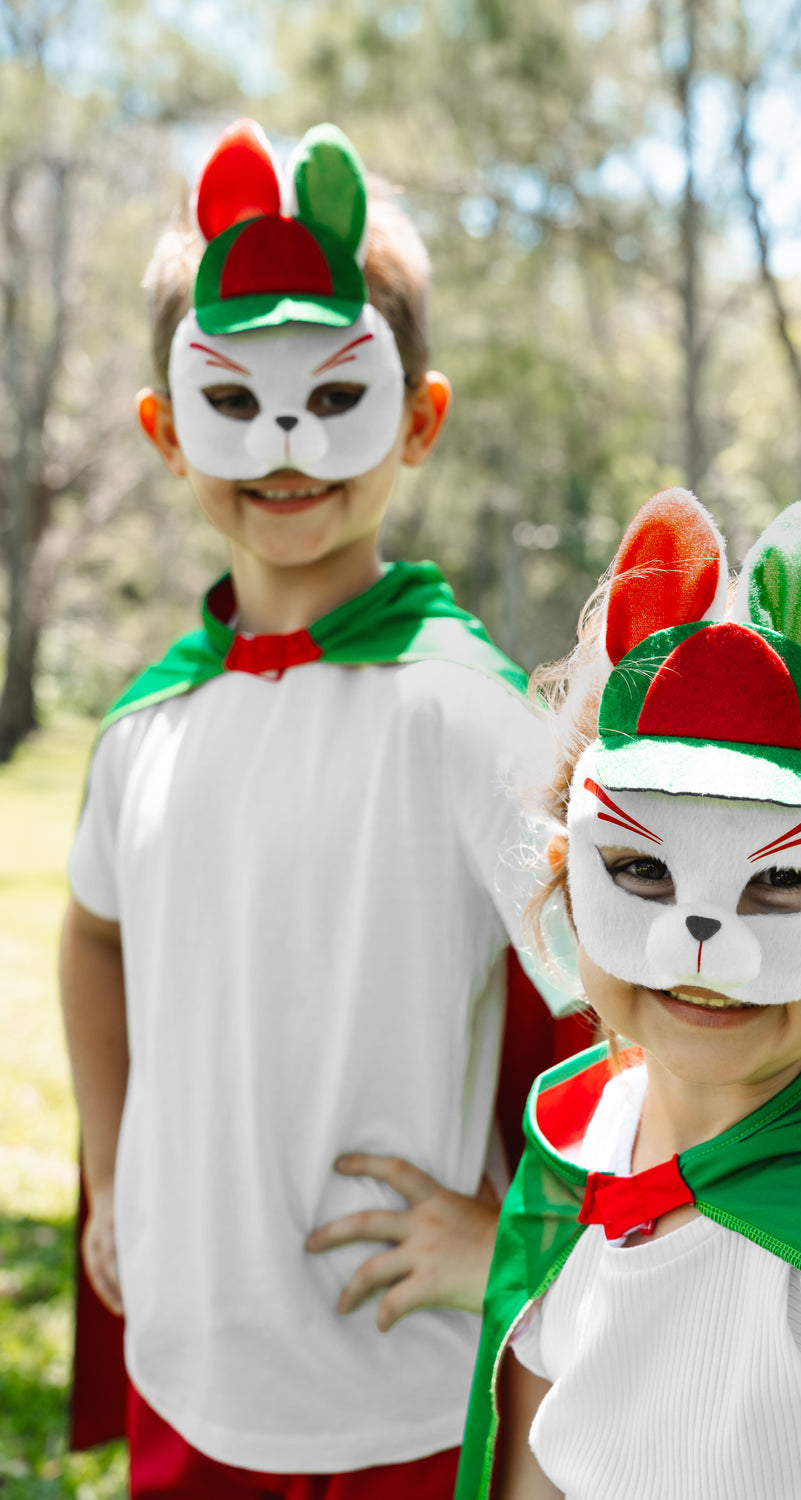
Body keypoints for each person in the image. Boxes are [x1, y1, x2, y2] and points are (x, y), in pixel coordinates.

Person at [60, 118, 578, 1499]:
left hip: (394, 1391)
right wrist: (113, 1180)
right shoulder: (146, 725)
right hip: (189, 1361)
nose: (286, 443)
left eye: (331, 396)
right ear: (169, 432)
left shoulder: (468, 716)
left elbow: (630, 1007)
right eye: (235, 401)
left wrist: (527, 1229)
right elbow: (92, 935)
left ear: (416, 418)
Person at [457, 489, 801, 1500]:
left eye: (785, 883)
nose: (706, 941)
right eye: (642, 873)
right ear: (565, 874)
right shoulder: (577, 1142)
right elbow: (529, 1461)